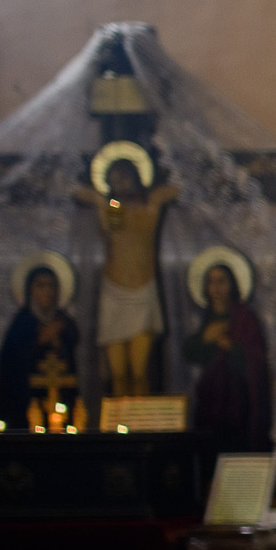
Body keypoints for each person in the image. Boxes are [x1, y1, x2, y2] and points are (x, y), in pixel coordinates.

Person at [79, 153, 179, 399]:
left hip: (143, 292)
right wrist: (103, 199)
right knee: (118, 375)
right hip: (114, 293)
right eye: (114, 179)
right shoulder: (113, 208)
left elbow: (175, 190)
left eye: (124, 176)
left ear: (135, 177)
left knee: (139, 373)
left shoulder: (150, 205)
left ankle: (139, 426)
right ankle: (118, 429)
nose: (120, 183)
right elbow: (105, 219)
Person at [183, 259, 271, 453]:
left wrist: (231, 347)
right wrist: (206, 340)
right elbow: (191, 353)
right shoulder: (205, 320)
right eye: (211, 282)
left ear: (232, 285)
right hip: (210, 404)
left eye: (221, 281)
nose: (216, 287)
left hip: (238, 405)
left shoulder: (244, 318)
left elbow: (256, 359)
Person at [0, 263, 81, 428]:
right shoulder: (21, 323)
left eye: (51, 285)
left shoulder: (64, 322)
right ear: (30, 290)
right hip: (26, 400)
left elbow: (71, 351)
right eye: (41, 285)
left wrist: (57, 339)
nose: (47, 291)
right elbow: (11, 363)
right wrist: (40, 339)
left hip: (61, 398)